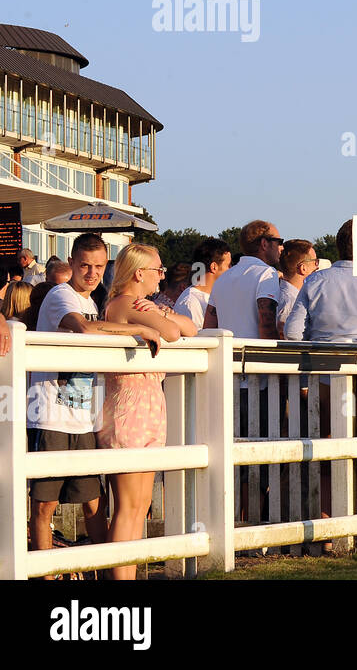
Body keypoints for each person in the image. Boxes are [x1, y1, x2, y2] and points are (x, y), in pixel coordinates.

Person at [27, 233, 161, 571]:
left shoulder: (93, 301)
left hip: (84, 416)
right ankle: (44, 576)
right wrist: (137, 333)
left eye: (99, 266)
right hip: (51, 414)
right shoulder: (61, 295)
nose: (92, 273)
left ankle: (103, 572)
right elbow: (84, 330)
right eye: (85, 265)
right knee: (45, 505)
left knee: (94, 502)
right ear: (71, 263)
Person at [100, 243, 196, 579]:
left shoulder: (143, 304)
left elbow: (191, 328)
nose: (162, 275)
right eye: (158, 269)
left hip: (147, 406)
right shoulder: (125, 304)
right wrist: (161, 316)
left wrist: (162, 311)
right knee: (128, 507)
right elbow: (172, 333)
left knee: (139, 507)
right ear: (140, 273)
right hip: (130, 408)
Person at [282, 219, 357, 343]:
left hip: (320, 357)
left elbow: (293, 332)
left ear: (339, 245)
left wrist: (318, 339)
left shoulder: (314, 280)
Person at [204, 220, 283, 339]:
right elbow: (267, 326)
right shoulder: (266, 273)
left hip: (226, 353)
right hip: (253, 354)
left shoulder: (222, 278)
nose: (281, 247)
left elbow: (208, 328)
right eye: (279, 242)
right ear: (264, 243)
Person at [173, 237, 232, 329]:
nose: (231, 269)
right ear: (214, 267)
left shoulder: (215, 296)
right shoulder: (191, 302)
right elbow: (197, 341)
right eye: (228, 265)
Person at [274, 239, 316, 337]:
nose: (317, 266)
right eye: (315, 261)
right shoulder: (290, 302)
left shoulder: (283, 295)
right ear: (303, 268)